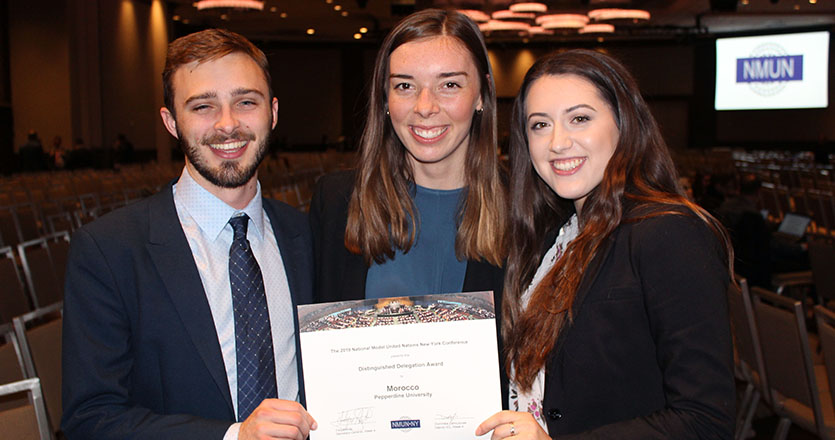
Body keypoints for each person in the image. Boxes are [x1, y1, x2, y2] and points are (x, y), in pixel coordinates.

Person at [62, 29, 316, 440]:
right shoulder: (109, 249)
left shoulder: (307, 236)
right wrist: (235, 437)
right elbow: (92, 418)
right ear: (171, 121)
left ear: (272, 113)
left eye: (245, 102)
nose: (228, 124)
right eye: (202, 106)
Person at [476, 50, 735, 439]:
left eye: (579, 118)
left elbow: (705, 420)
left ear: (623, 123)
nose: (558, 142)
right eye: (540, 125)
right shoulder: (553, 238)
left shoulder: (668, 233)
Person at [309, 9, 506, 307]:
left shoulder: (523, 209)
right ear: (386, 98)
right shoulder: (337, 201)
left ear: (482, 94)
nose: (424, 106)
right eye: (405, 86)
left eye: (449, 84)